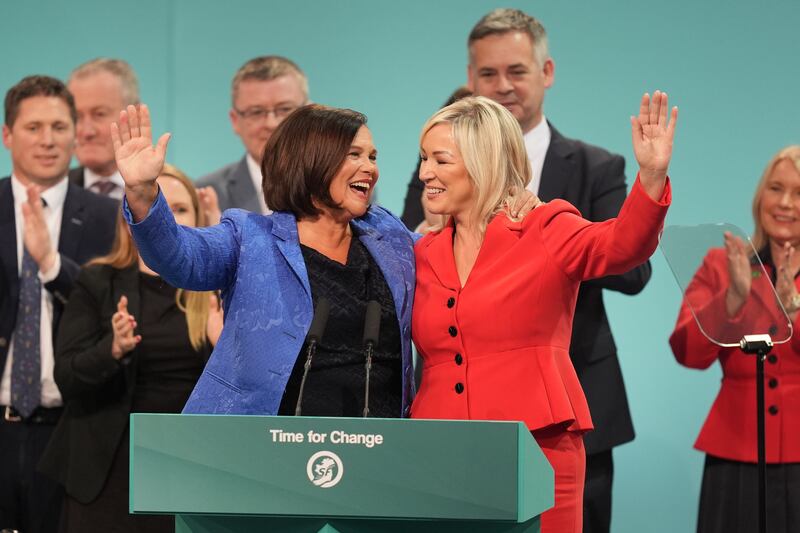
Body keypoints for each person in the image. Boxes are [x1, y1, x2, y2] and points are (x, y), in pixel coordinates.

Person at [402, 11, 654, 530]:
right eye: (424, 159)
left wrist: (652, 180)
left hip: (536, 444)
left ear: (482, 160)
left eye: (440, 161)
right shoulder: (422, 251)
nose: (425, 172)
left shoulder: (546, 227)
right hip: (439, 450)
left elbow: (623, 247)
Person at [112, 102, 417, 417]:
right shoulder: (251, 238)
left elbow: (449, 258)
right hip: (266, 448)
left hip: (378, 445)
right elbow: (181, 257)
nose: (370, 168)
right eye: (354, 154)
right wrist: (142, 192)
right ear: (311, 158)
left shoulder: (389, 236)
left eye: (372, 156)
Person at [38, 164, 220, 533]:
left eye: (180, 209)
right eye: (157, 205)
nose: (167, 218)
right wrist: (113, 348)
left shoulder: (216, 287)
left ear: (198, 218)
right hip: (108, 469)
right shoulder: (98, 281)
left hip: (191, 467)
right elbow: (67, 376)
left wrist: (223, 344)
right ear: (130, 218)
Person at [0, 75, 117, 533]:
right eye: (33, 128)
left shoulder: (110, 217)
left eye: (59, 126)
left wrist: (52, 265)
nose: (48, 140)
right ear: (7, 135)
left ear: (75, 133)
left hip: (73, 429)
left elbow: (111, 309)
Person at [669, 146, 800, 533]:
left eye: (799, 193)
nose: (786, 203)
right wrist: (733, 298)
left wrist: (793, 309)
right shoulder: (722, 264)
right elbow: (688, 352)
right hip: (736, 447)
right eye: (776, 189)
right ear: (761, 196)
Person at [196, 55, 309, 214]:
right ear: (235, 121)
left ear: (310, 114)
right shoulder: (205, 194)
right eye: (256, 112)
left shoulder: (337, 186)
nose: (271, 124)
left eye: (284, 109)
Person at [67, 58, 140, 200]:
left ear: (134, 115)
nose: (87, 132)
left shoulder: (173, 196)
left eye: (99, 114)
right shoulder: (51, 195)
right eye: (77, 116)